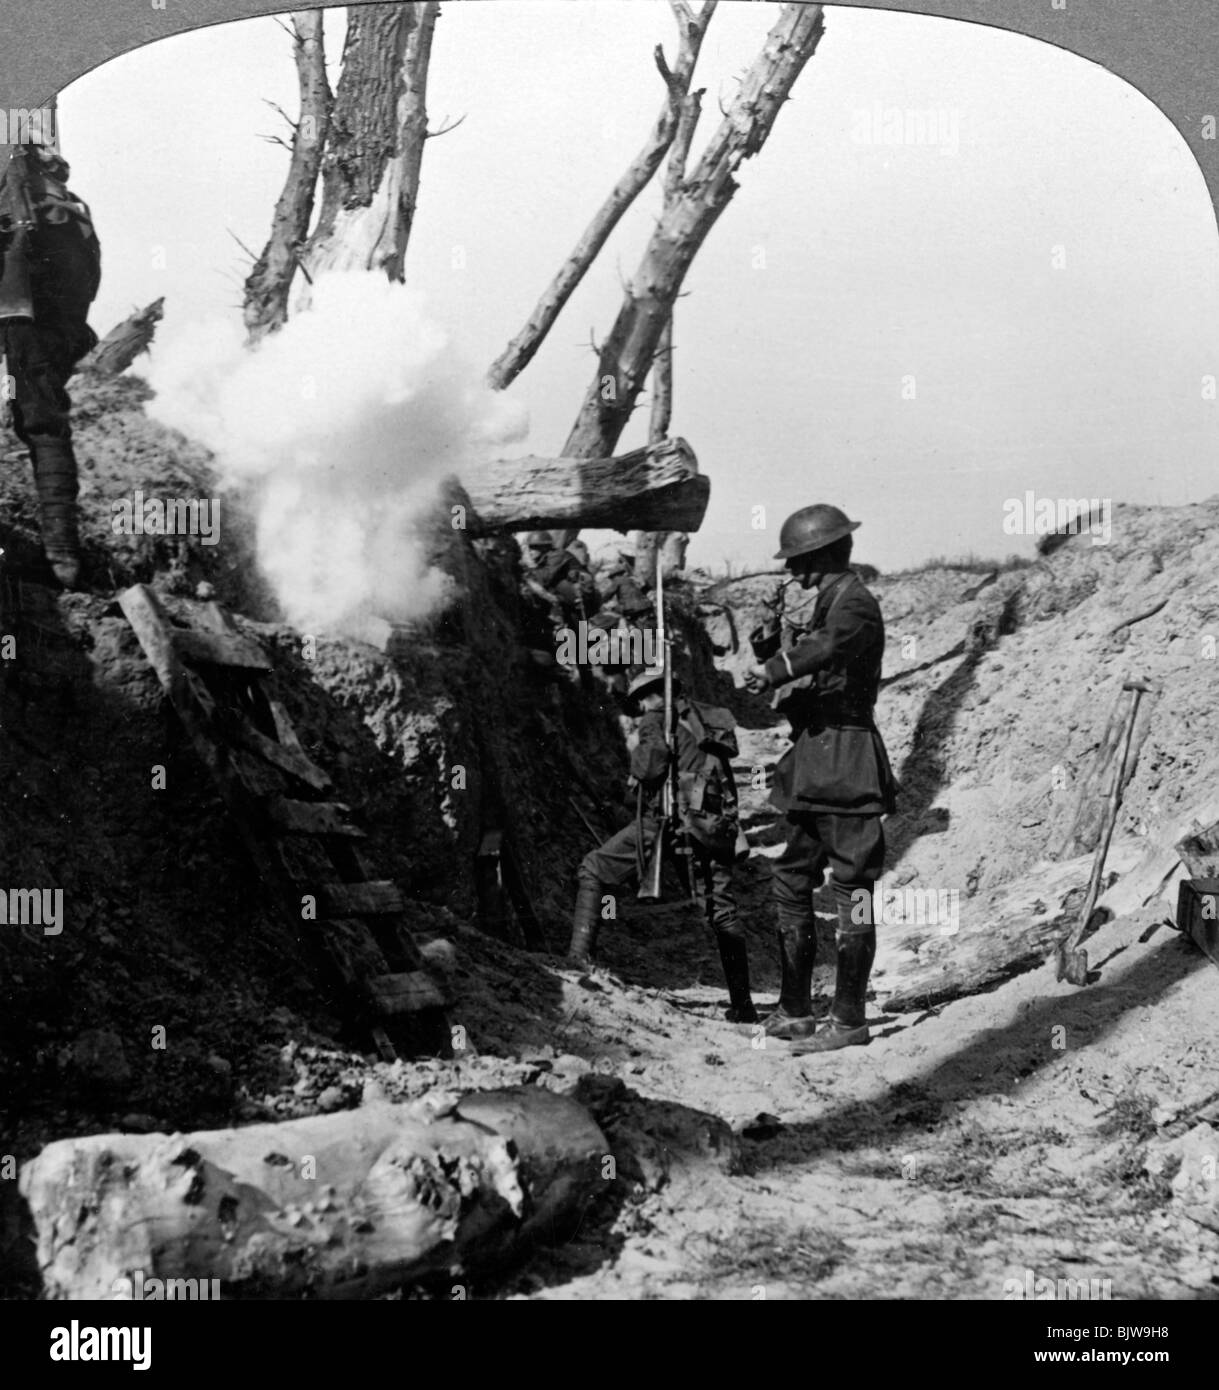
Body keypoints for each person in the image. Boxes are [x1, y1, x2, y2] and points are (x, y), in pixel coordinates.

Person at [744, 504, 896, 1053]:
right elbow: (822, 665)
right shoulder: (833, 603)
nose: (794, 572)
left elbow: (828, 650)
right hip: (815, 761)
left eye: (801, 561)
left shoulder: (855, 604)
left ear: (827, 554)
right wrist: (772, 651)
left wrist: (776, 669)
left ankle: (850, 1019)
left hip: (847, 762)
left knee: (853, 889)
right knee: (791, 877)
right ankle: (796, 1010)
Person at [567, 667, 757, 1024]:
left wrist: (635, 757)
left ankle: (578, 965)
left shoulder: (656, 720)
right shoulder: (705, 716)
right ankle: (744, 1005)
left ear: (647, 697)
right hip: (711, 823)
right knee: (722, 911)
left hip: (667, 822)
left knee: (592, 867)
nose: (639, 710)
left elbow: (650, 769)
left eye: (639, 702)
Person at [0, 141, 100, 588]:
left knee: (39, 421)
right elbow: (89, 281)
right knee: (46, 421)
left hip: (22, 305)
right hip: (57, 316)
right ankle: (63, 552)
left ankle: (60, 556)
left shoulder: (19, 192)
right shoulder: (66, 206)